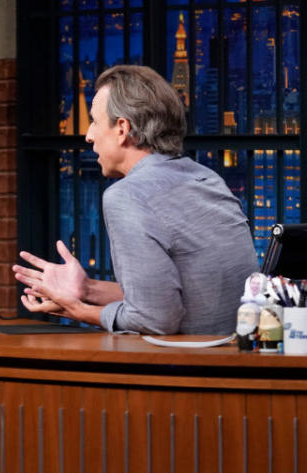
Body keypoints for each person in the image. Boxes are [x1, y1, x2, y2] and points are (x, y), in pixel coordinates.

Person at [13, 65, 258, 335]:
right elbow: (175, 302)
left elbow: (155, 321)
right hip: (237, 359)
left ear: (122, 129)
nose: (89, 136)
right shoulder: (208, 179)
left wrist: (76, 309)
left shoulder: (127, 196)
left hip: (188, 368)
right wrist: (87, 289)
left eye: (94, 121)